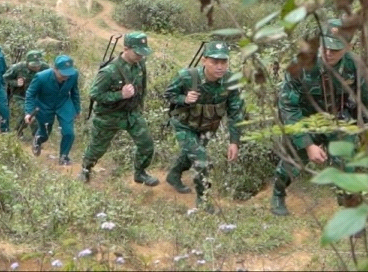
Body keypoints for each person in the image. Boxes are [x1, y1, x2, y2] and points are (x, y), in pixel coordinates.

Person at [270, 18, 368, 217]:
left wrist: (367, 129)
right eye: (326, 47)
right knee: (292, 163)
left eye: (336, 49)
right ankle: (278, 193)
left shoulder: (355, 66)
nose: (329, 52)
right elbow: (289, 107)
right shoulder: (300, 65)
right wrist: (308, 144)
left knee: (346, 166)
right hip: (304, 120)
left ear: (348, 47)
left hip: (338, 122)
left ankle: (350, 212)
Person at [163, 41, 245, 212]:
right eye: (215, 62)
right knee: (201, 158)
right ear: (204, 61)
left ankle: (173, 175)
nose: (220, 66)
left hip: (208, 127)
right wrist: (183, 99)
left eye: (224, 62)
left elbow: (235, 113)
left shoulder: (231, 82)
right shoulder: (187, 76)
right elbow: (168, 94)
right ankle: (204, 201)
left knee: (189, 154)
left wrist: (234, 141)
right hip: (184, 125)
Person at [79, 31, 159, 187]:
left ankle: (140, 173)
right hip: (110, 115)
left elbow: (142, 87)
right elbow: (95, 94)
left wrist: (140, 105)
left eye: (143, 53)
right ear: (126, 48)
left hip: (132, 113)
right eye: (137, 53)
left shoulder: (140, 64)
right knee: (98, 148)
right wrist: (120, 95)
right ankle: (85, 169)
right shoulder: (109, 71)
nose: (140, 56)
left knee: (146, 144)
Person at [24, 55, 81, 165]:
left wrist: (77, 109)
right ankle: (38, 140)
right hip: (44, 105)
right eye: (63, 74)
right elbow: (30, 94)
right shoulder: (41, 77)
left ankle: (64, 156)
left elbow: (75, 92)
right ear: (55, 69)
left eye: (68, 73)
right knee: (45, 133)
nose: (66, 77)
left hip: (63, 104)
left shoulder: (73, 75)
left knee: (69, 132)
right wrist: (28, 112)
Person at [4, 50, 50, 138]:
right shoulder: (17, 67)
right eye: (33, 66)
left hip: (37, 97)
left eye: (38, 65)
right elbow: (5, 78)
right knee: (28, 112)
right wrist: (16, 83)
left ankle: (24, 134)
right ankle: (29, 135)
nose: (36, 67)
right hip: (20, 96)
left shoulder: (45, 68)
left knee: (33, 115)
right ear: (27, 62)